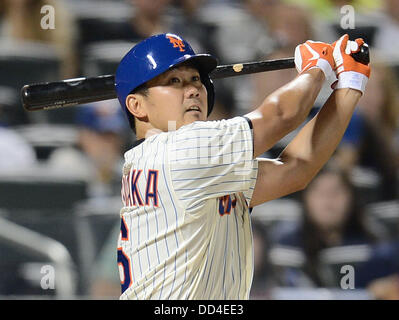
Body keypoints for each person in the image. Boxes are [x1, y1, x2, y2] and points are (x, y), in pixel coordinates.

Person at [113, 32, 370, 299]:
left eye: (195, 79)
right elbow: (282, 115)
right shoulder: (178, 150)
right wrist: (317, 67)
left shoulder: (187, 162)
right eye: (174, 81)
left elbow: (296, 170)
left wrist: (350, 84)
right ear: (136, 105)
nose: (192, 89)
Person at [269, 164, 398, 289]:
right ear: (305, 198)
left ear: (351, 197)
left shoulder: (373, 243)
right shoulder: (286, 245)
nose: (328, 201)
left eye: (336, 192)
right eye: (320, 193)